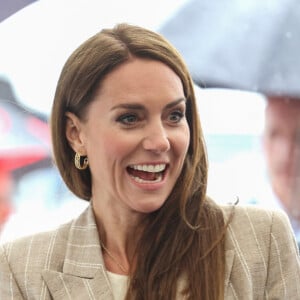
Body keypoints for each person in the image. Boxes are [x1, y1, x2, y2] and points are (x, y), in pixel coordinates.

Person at [0, 23, 299, 299]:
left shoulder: (261, 240)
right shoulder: (21, 268)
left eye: (174, 116)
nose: (160, 141)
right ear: (76, 133)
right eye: (130, 118)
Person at [261, 96, 300, 242]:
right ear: (262, 142)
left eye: (299, 137)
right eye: (275, 134)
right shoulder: (239, 221)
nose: (286, 153)